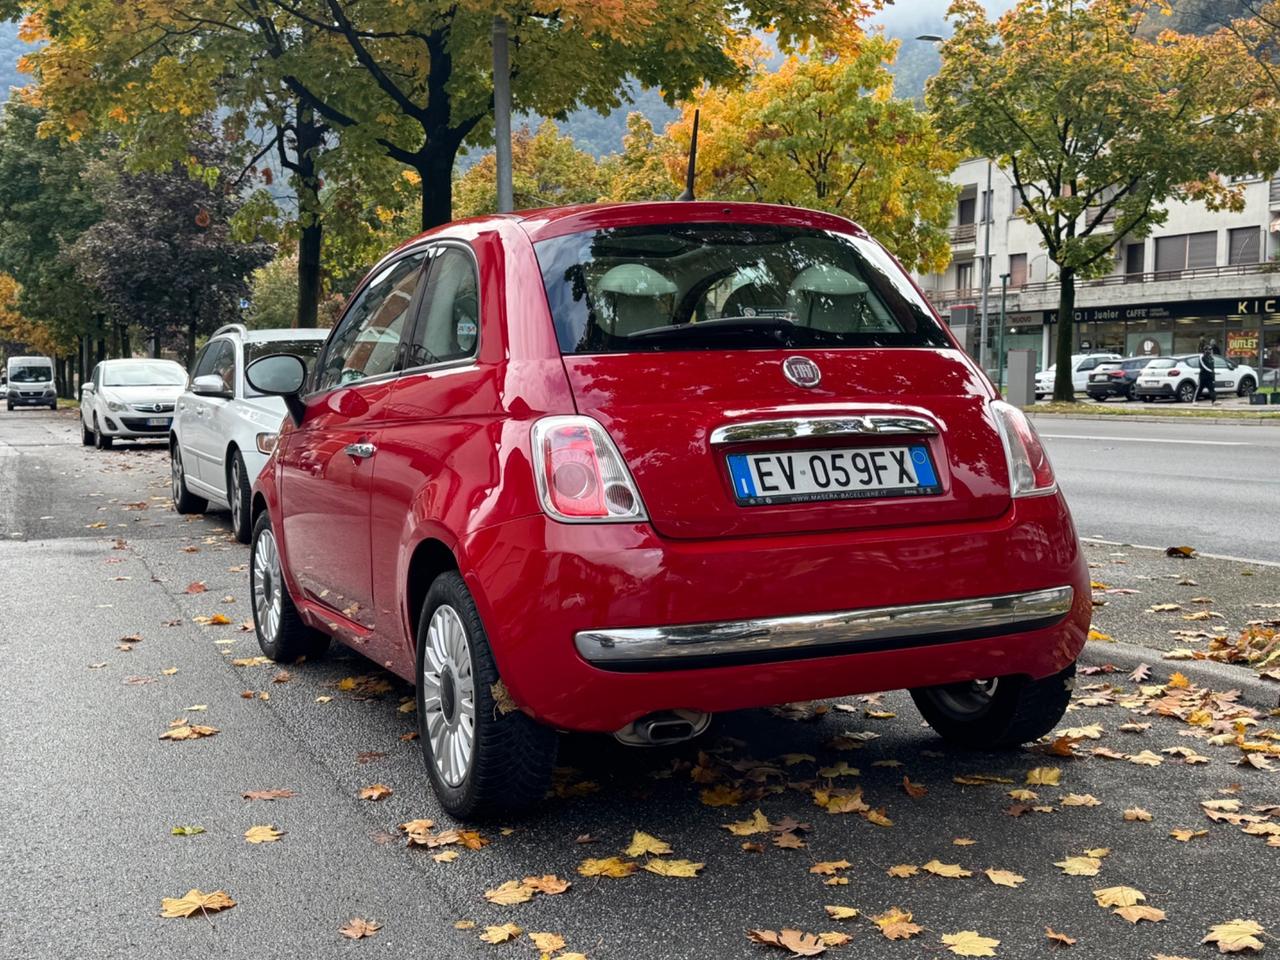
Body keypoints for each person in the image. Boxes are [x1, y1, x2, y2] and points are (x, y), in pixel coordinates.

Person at [1196, 339, 1217, 404]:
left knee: (1212, 389)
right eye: (1208, 350)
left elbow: (1212, 367)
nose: (1210, 351)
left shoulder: (1211, 358)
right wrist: (1210, 371)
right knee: (1199, 389)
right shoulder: (1201, 357)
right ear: (1205, 350)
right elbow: (1203, 366)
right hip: (1203, 376)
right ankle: (1195, 401)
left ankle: (1214, 401)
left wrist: (1213, 374)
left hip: (1209, 377)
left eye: (1210, 350)